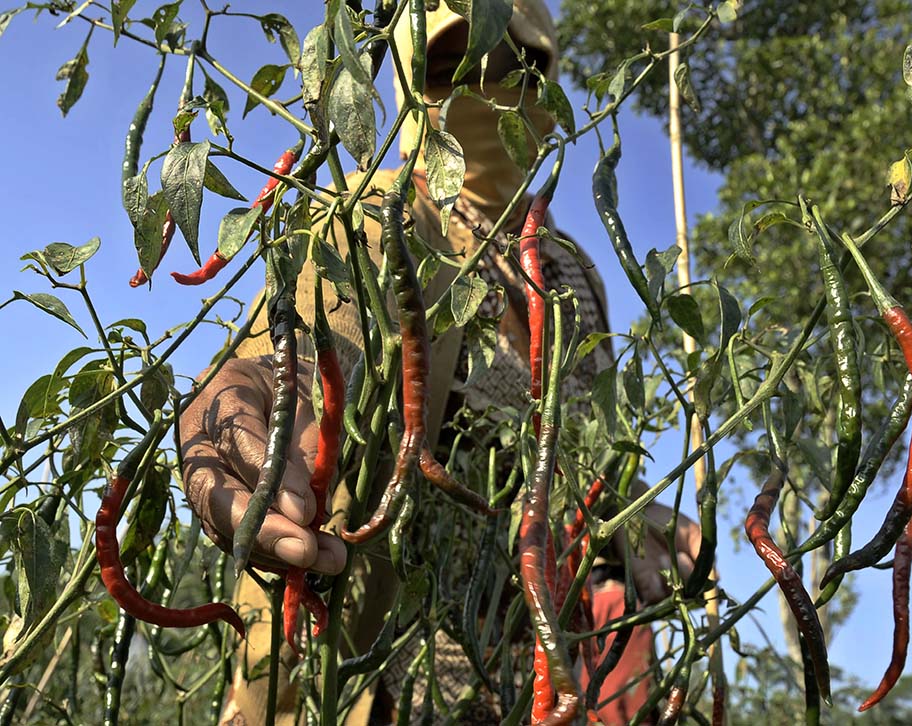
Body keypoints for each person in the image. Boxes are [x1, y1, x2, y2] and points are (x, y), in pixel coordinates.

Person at [177, 2, 702, 723]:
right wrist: (250, 384)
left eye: (514, 64)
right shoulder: (383, 216)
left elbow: (580, 453)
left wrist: (635, 514)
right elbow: (307, 339)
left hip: (546, 675)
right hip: (395, 669)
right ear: (404, 76)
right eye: (451, 62)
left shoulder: (573, 274)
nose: (486, 83)